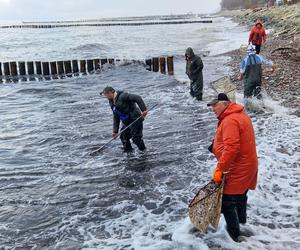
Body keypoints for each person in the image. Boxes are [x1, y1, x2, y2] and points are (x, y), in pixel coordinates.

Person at [207, 93, 258, 242]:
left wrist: (220, 169)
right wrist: (215, 145)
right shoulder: (240, 114)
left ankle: (234, 236)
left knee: (226, 201)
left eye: (215, 105)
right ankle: (242, 223)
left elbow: (232, 148)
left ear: (224, 104)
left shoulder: (229, 120)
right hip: (248, 165)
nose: (213, 109)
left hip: (238, 167)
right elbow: (236, 141)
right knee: (241, 195)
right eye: (211, 105)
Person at [100, 86, 148, 152]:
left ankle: (144, 153)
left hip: (135, 119)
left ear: (111, 92)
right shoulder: (111, 102)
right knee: (123, 137)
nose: (106, 97)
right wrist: (115, 131)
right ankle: (129, 153)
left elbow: (137, 98)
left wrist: (144, 110)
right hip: (126, 121)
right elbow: (116, 115)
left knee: (136, 139)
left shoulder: (123, 96)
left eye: (106, 95)